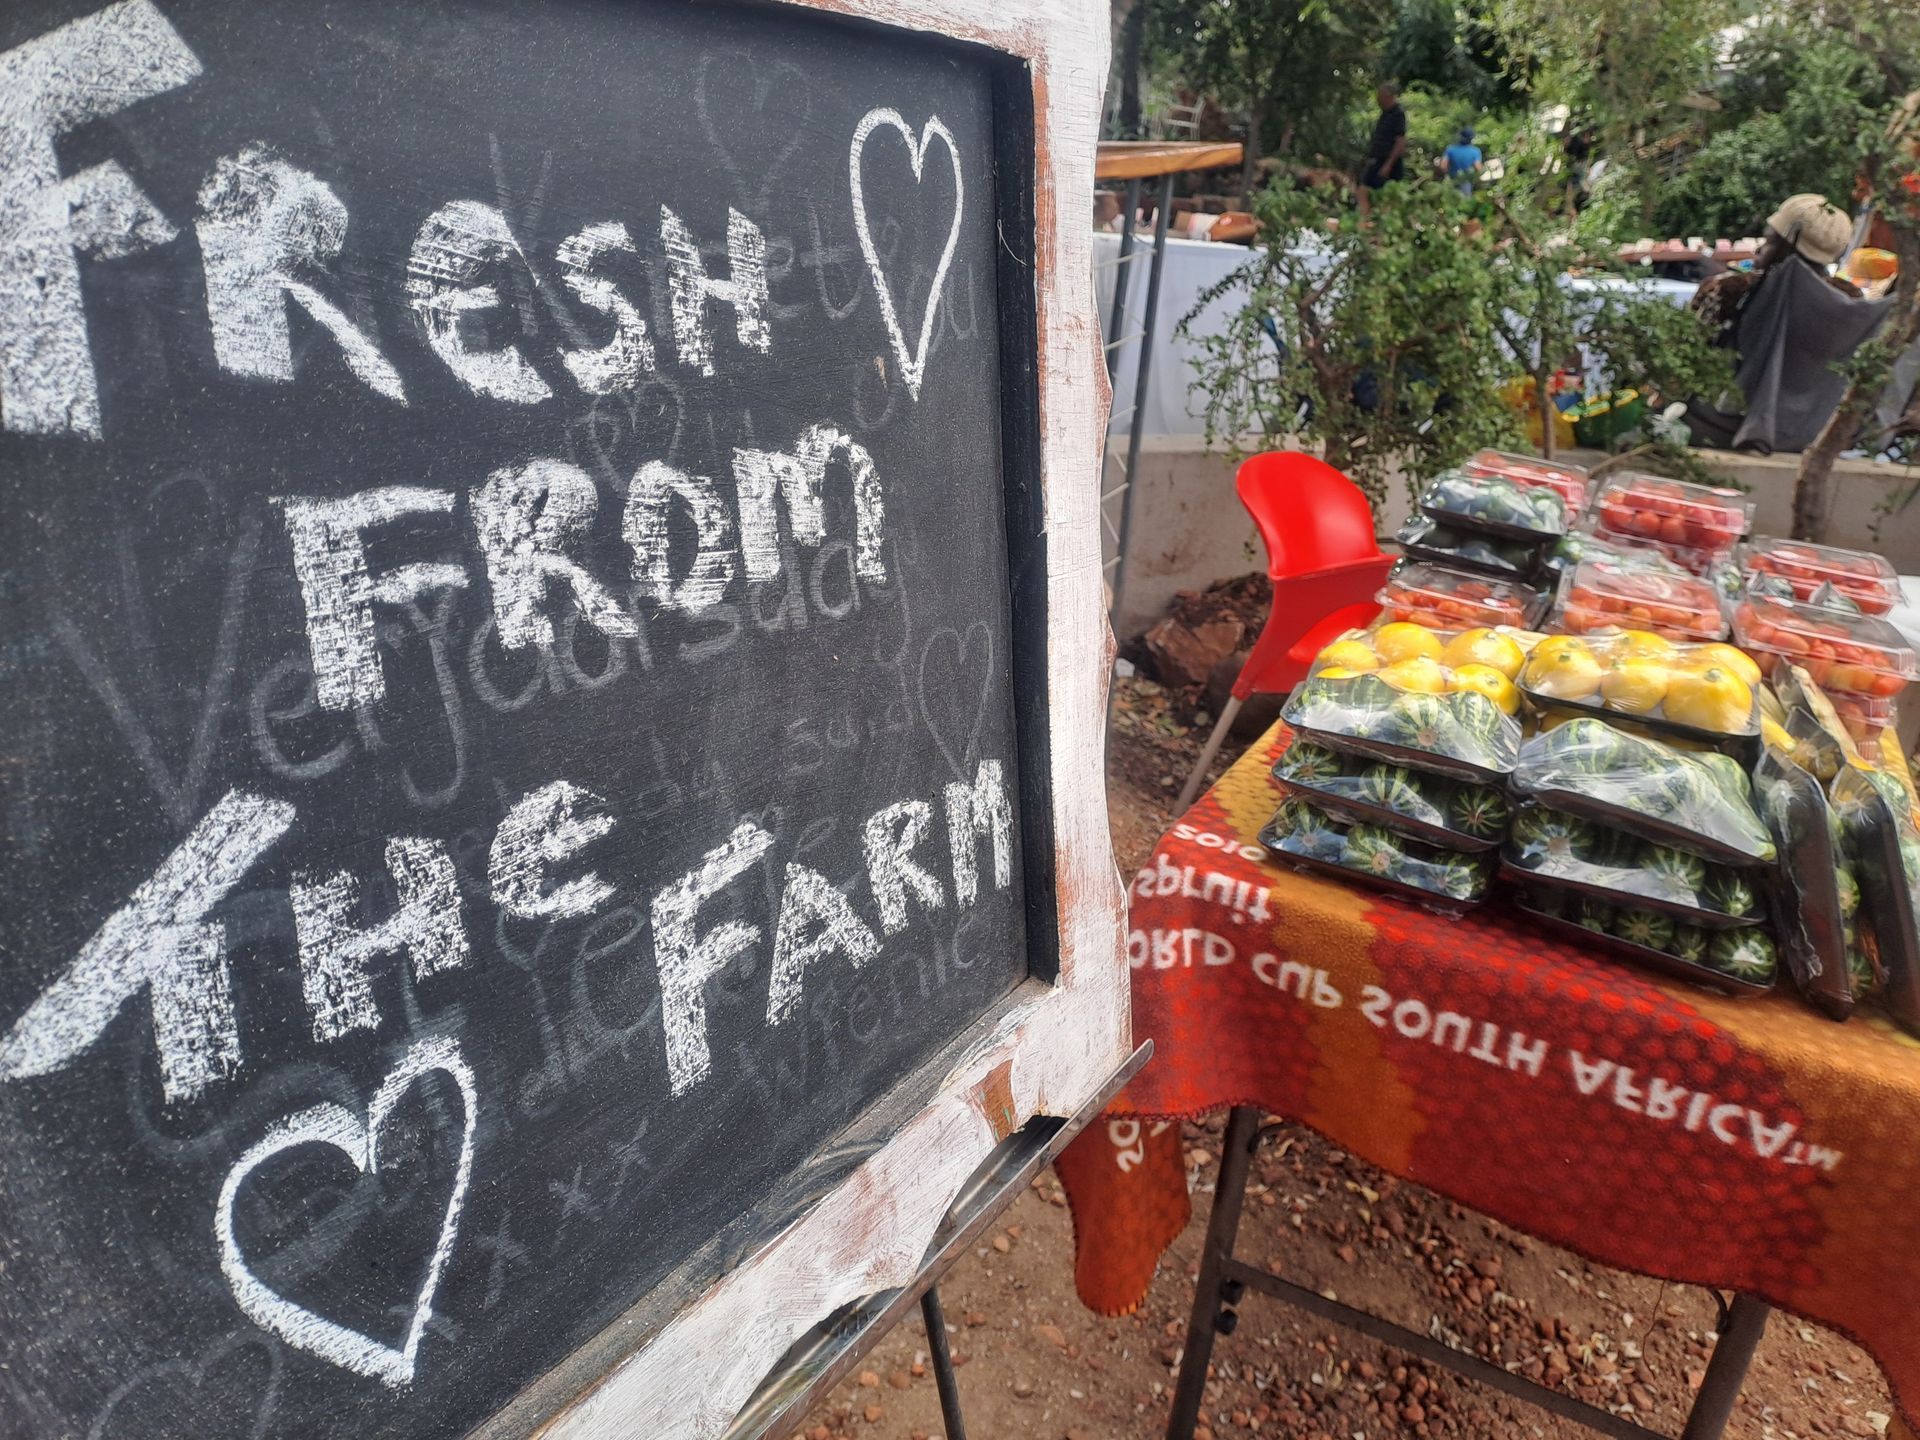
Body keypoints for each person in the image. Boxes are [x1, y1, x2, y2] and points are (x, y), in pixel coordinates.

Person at [1689, 194, 1861, 348]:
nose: (1759, 249)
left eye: (1770, 241)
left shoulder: (1729, 290)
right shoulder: (1850, 299)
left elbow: (1692, 355)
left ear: (1785, 250)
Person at [1357, 83, 1407, 216]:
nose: (1378, 101)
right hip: (1377, 159)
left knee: (1387, 196)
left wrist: (1388, 165)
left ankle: (1383, 223)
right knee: (1364, 189)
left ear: (1388, 97)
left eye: (1380, 97)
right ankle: (1366, 220)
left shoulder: (1398, 114)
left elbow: (1400, 141)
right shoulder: (1385, 114)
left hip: (1389, 162)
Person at [1440, 126, 1482, 196]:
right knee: (1464, 204)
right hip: (1466, 182)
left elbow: (1443, 166)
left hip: (1451, 180)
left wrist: (1448, 174)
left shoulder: (1450, 149)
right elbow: (1478, 169)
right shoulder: (1475, 151)